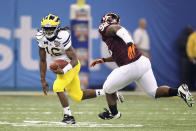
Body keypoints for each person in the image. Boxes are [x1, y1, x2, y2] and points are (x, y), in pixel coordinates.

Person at [90, 13, 194, 120]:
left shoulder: (107, 28)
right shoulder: (115, 38)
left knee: (107, 88)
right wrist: (103, 60)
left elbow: (119, 29)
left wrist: (130, 43)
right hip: (142, 63)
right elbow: (117, 55)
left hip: (131, 66)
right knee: (153, 92)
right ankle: (179, 91)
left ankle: (114, 114)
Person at [36, 14, 123, 124]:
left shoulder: (63, 36)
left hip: (71, 66)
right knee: (78, 96)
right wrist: (43, 80)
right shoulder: (41, 37)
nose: (48, 31)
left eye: (51, 28)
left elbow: (74, 60)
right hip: (61, 68)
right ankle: (108, 92)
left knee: (57, 86)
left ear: (57, 28)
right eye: (46, 28)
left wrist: (64, 70)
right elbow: (43, 60)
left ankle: (68, 117)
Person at [178, 25, 193, 90]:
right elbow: (180, 46)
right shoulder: (182, 38)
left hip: (192, 58)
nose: (189, 30)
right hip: (184, 58)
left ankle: (192, 87)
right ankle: (184, 88)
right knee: (184, 73)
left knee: (191, 73)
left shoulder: (192, 37)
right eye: (188, 29)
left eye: (190, 29)